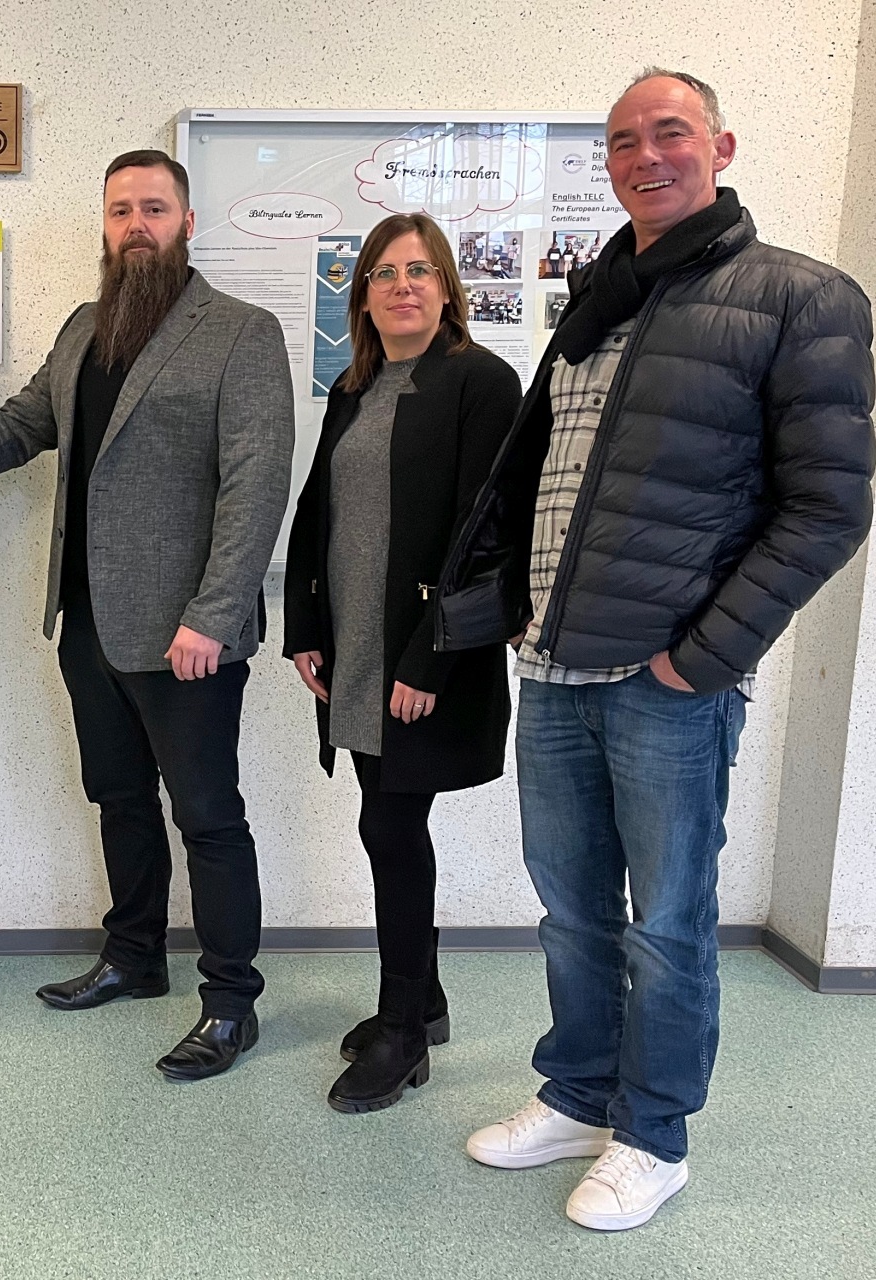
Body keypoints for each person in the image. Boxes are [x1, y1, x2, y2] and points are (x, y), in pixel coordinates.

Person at [439, 70, 876, 1230]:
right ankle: (579, 1095)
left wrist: (704, 655)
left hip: (666, 681)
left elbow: (828, 506)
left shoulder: (800, 297)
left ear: (720, 147)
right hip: (555, 668)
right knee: (570, 907)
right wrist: (520, 607)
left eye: (670, 132)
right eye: (624, 140)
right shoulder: (598, 301)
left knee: (668, 922)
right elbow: (550, 474)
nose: (646, 155)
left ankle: (653, 1134)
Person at [0, 150, 293, 1081]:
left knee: (209, 817)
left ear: (187, 223)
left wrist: (214, 613)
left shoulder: (242, 332)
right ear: (106, 227)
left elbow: (256, 483)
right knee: (119, 799)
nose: (136, 226)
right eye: (121, 210)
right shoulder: (86, 328)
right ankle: (134, 956)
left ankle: (231, 1003)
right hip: (88, 622)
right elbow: (22, 424)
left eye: (154, 208)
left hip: (188, 634)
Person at [282, 213, 521, 1114]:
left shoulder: (481, 383)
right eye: (383, 273)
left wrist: (428, 661)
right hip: (354, 646)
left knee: (390, 826)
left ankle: (403, 1030)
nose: (402, 286)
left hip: (421, 656)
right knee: (385, 819)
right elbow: (317, 515)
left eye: (419, 270)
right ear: (364, 297)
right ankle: (425, 998)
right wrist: (303, 623)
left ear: (448, 288)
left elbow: (483, 535)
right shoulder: (356, 387)